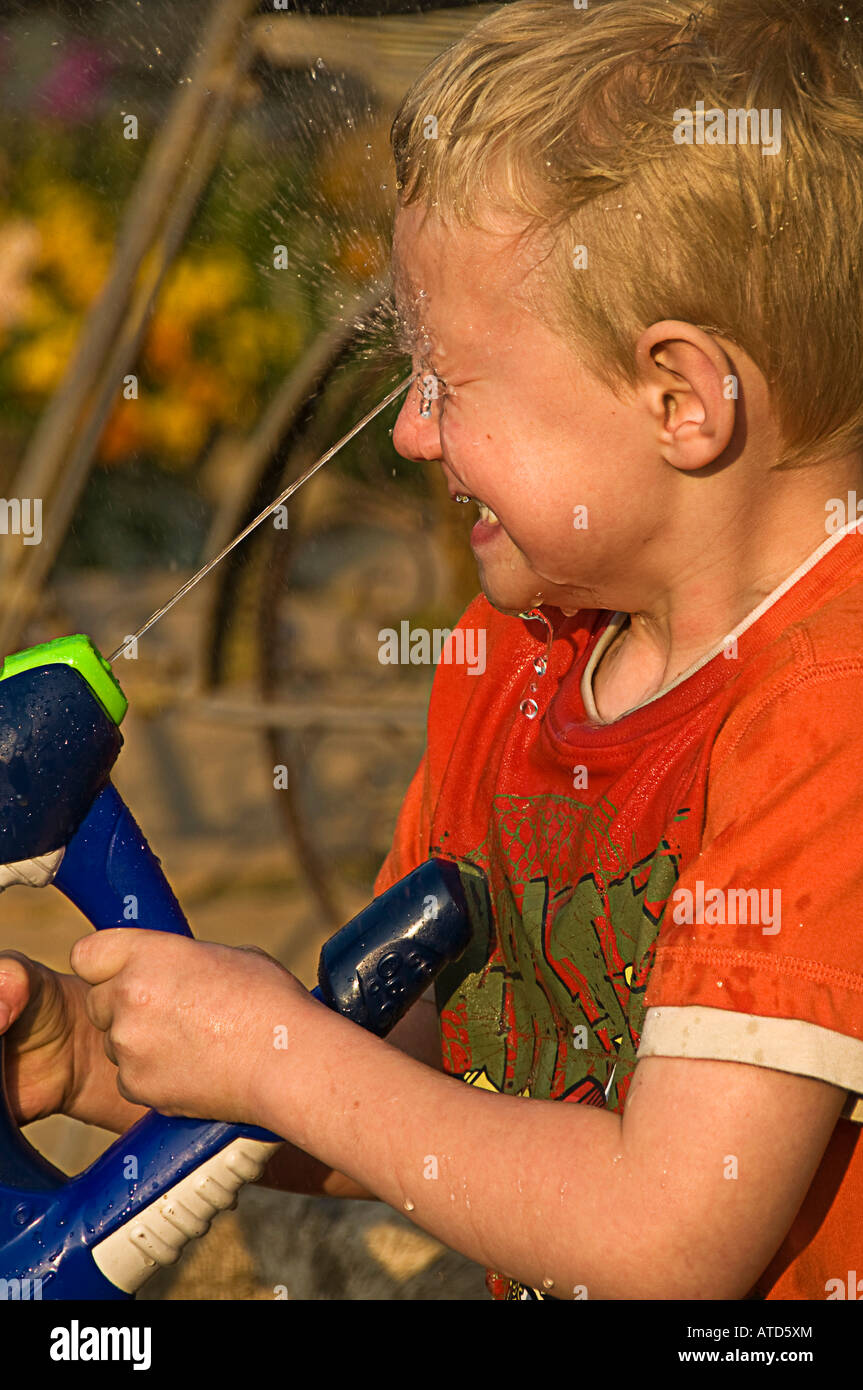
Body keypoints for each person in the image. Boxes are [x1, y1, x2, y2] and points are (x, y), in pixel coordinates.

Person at [2, 0, 862, 1300]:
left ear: (681, 398)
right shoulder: (513, 651)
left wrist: (280, 1053)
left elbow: (667, 1237)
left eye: (446, 383)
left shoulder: (831, 712)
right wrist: (98, 1053)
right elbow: (422, 1107)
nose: (408, 433)